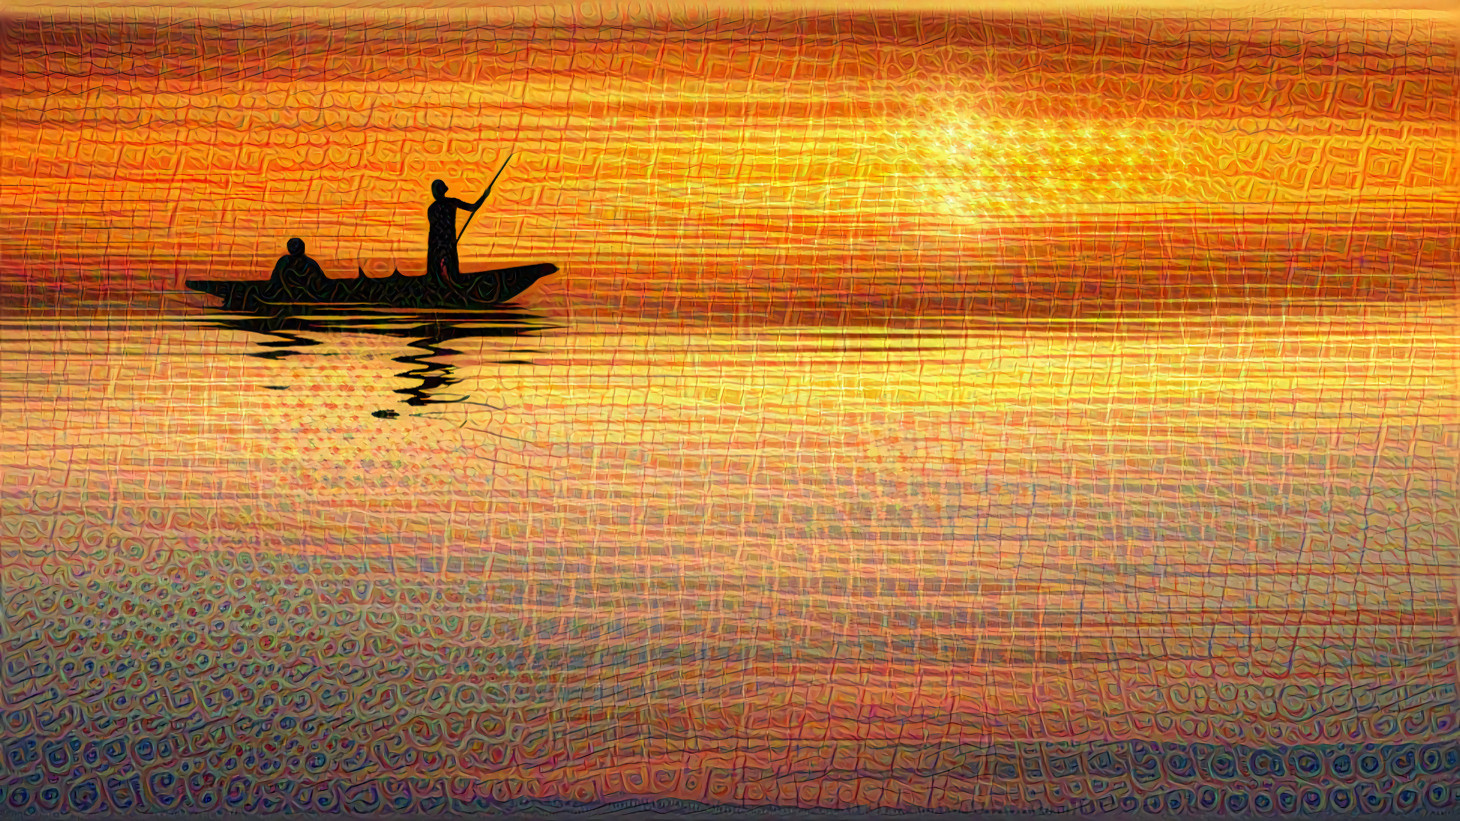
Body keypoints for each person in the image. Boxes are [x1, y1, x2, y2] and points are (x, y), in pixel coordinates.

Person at [426, 179, 489, 285]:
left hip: (436, 244)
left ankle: (436, 285)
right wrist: (484, 196)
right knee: (449, 269)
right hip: (447, 243)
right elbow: (473, 207)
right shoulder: (451, 202)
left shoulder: (431, 208)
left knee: (436, 270)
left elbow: (434, 228)